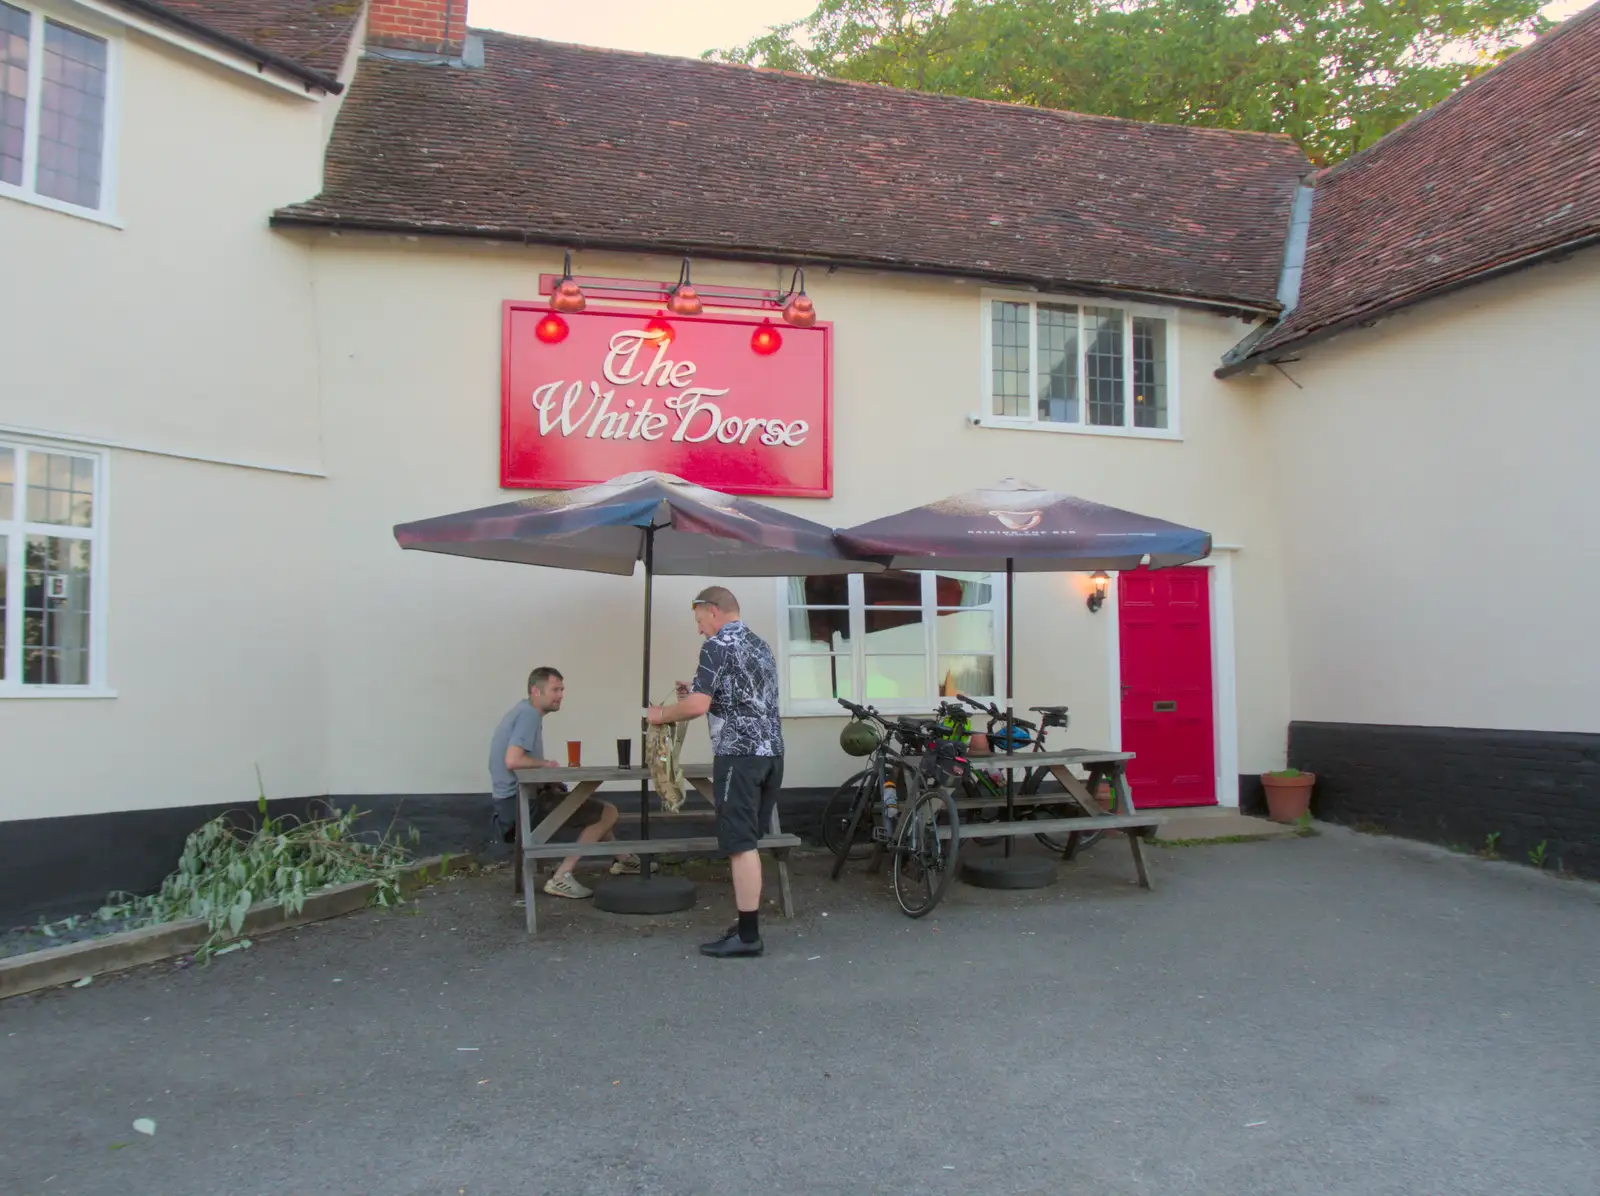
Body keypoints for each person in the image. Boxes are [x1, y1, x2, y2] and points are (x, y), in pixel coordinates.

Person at [647, 587, 783, 958]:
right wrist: (697, 691)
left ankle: (749, 935)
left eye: (698, 621)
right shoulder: (759, 645)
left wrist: (659, 715)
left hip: (737, 758)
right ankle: (745, 923)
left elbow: (696, 706)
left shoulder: (717, 646)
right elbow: (744, 696)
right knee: (748, 842)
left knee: (740, 846)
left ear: (712, 612)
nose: (699, 630)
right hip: (771, 755)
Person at [490, 666, 638, 900]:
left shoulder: (524, 712)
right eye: (555, 689)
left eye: (562, 689)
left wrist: (547, 777)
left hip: (513, 804)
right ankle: (562, 876)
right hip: (519, 808)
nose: (560, 695)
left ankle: (624, 860)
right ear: (535, 691)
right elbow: (513, 760)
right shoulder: (528, 715)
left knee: (592, 811)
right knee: (607, 812)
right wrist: (547, 765)